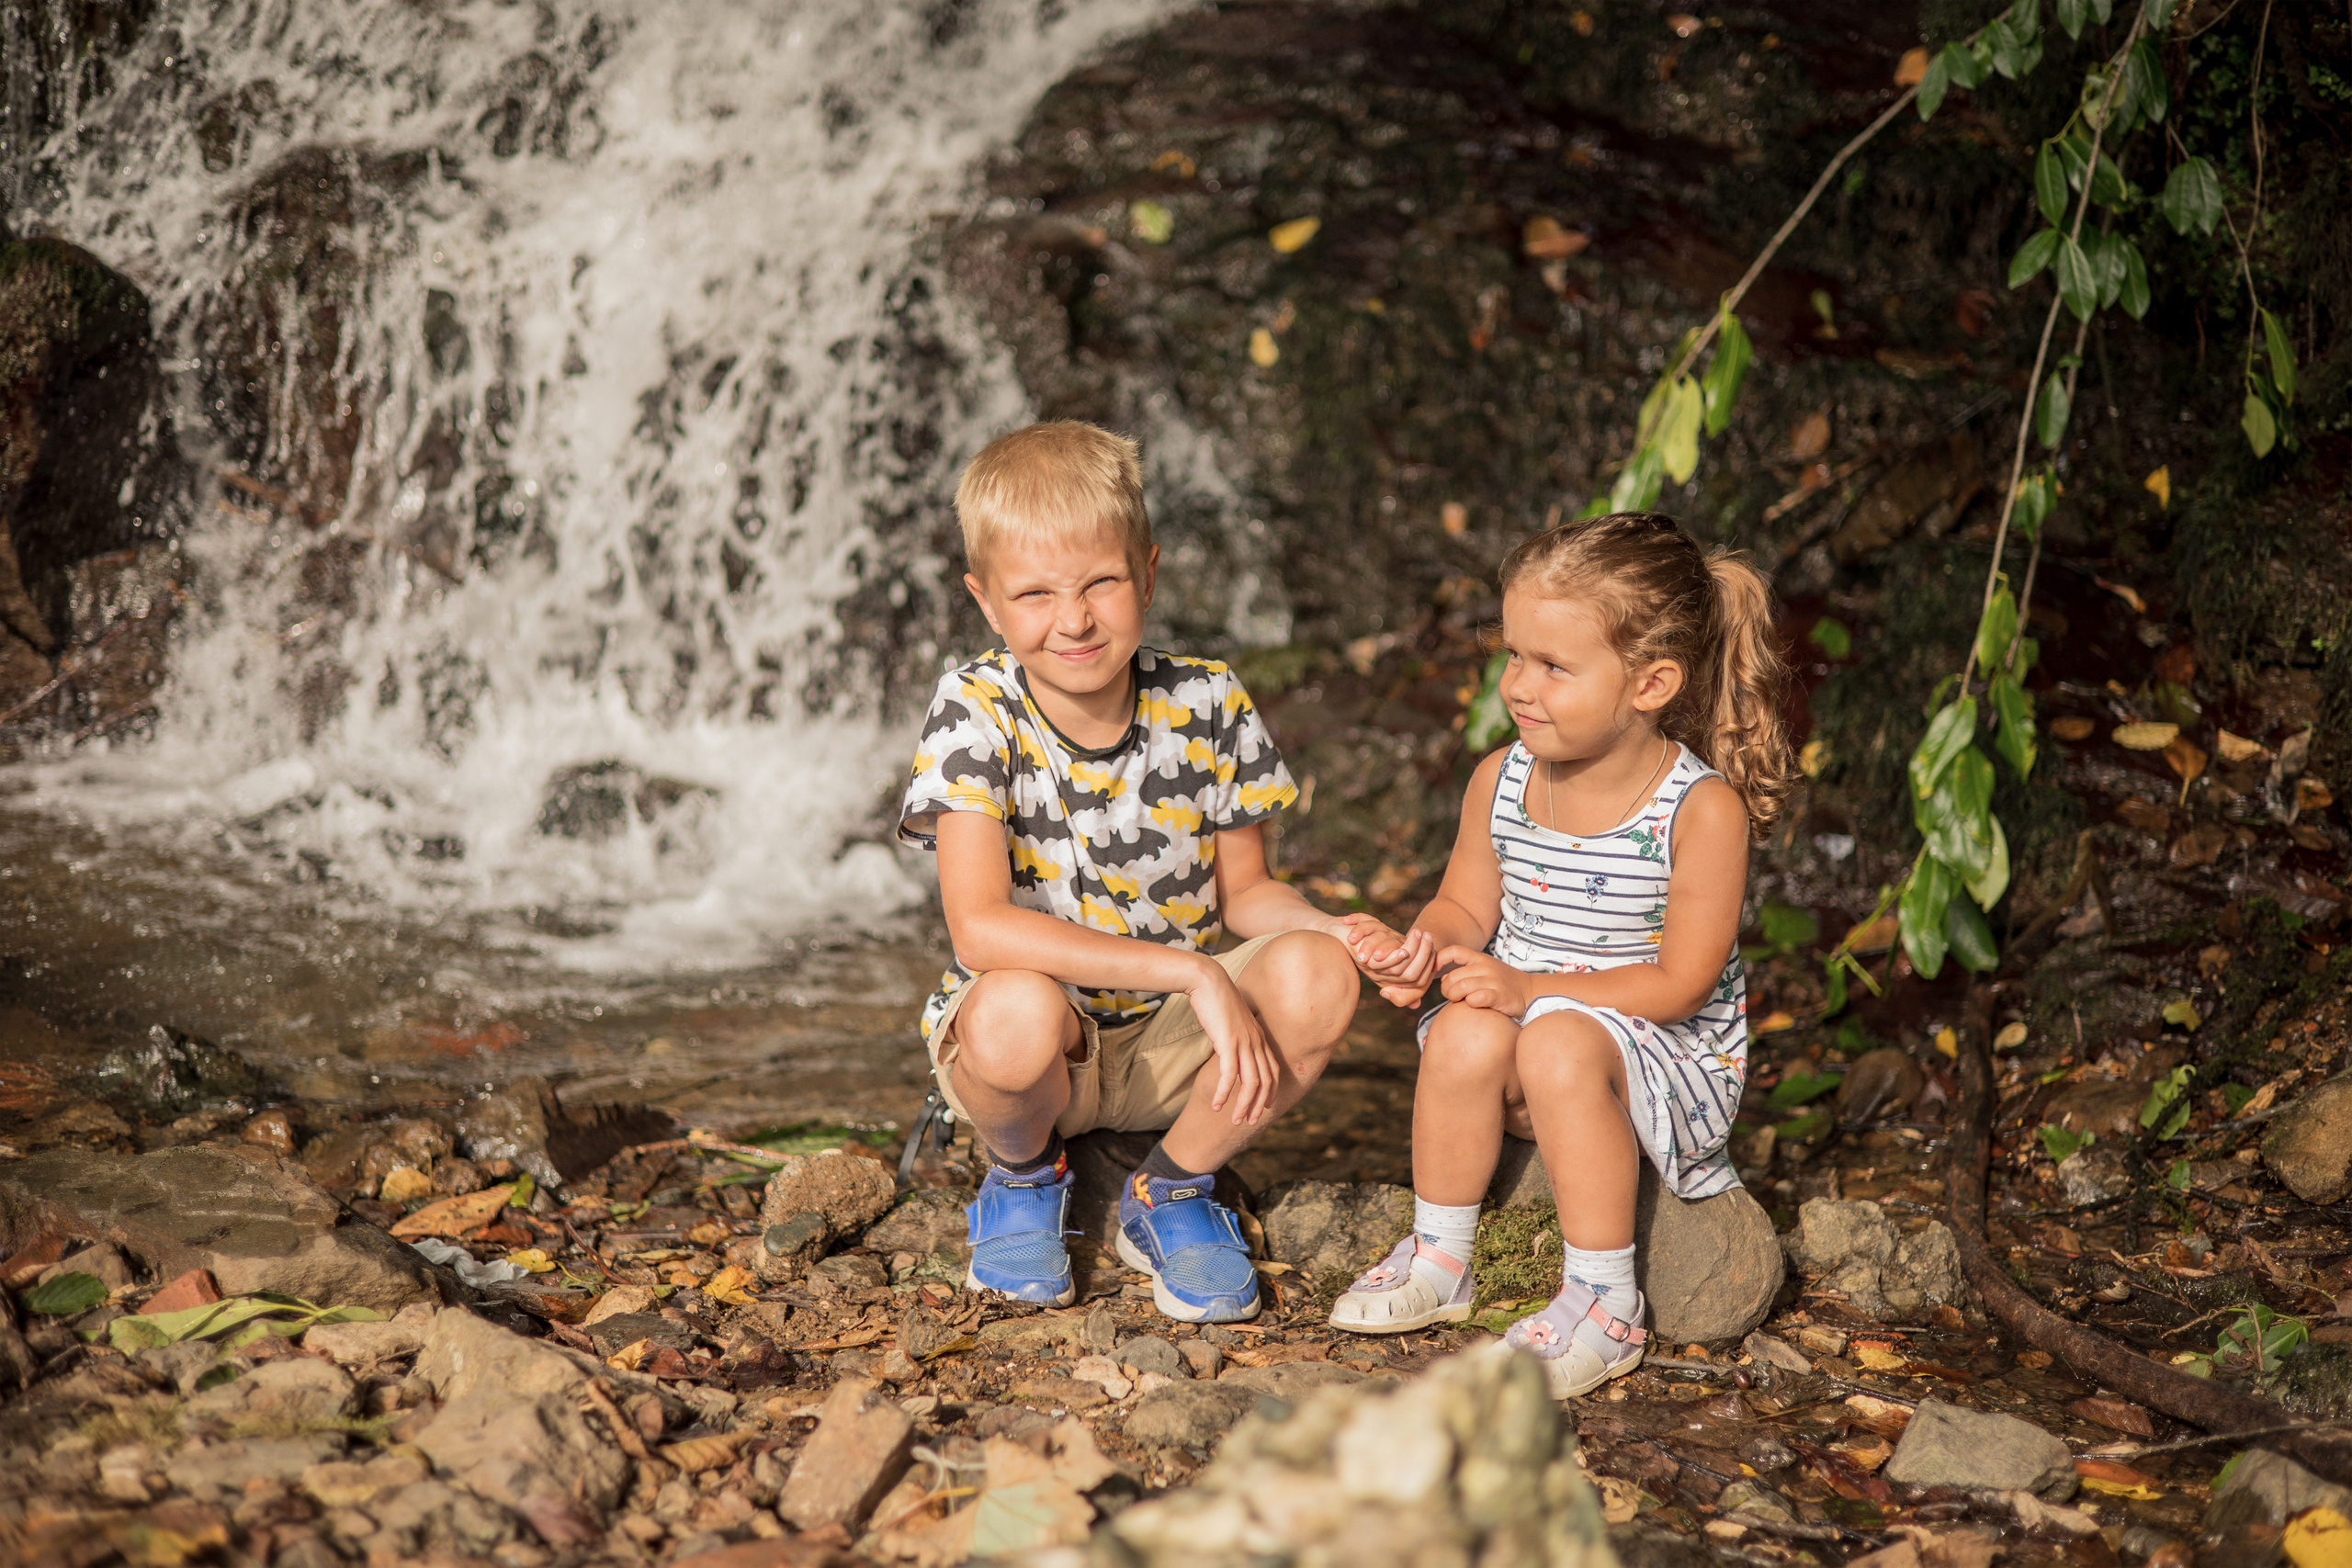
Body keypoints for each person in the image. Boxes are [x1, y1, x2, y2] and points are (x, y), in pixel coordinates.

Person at [899, 421, 1403, 1324]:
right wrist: (1191, 969)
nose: (1074, 618)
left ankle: (1168, 1189)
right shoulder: (974, 708)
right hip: (1044, 1040)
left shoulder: (1208, 701)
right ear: (986, 603)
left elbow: (1245, 897)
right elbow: (978, 927)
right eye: (1035, 593)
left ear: (1149, 572)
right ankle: (1022, 1173)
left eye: (1101, 581)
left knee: (1319, 973)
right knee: (1016, 1010)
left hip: (1174, 1040)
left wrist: (1335, 931)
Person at [1331, 511, 1792, 1397]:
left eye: (1553, 666)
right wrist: (1426, 949)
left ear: (1652, 682)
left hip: (1652, 1048)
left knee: (1553, 1037)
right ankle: (1441, 1252)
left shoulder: (1699, 810)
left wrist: (1528, 986)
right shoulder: (1502, 778)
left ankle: (1607, 1301)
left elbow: (1682, 980)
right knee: (1464, 1032)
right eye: (1512, 655)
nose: (1518, 685)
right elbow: (1466, 902)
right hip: (1524, 1021)